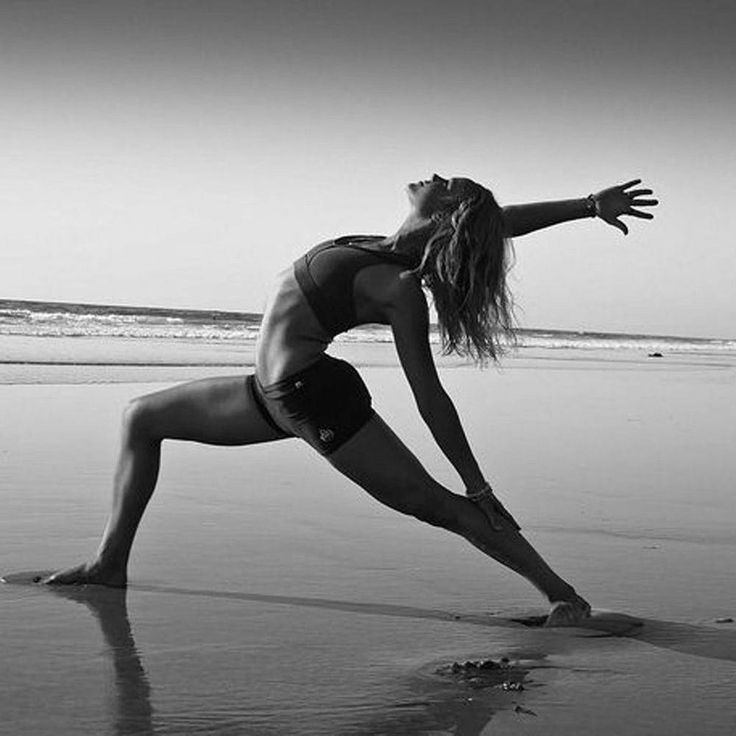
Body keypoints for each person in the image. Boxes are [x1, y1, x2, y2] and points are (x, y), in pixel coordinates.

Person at [44, 174, 658, 625]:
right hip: (268, 394)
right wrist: (583, 206)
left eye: (448, 184)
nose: (436, 176)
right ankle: (109, 563)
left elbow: (430, 396)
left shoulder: (398, 287)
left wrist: (476, 480)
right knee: (141, 417)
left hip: (314, 398)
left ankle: (563, 598)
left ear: (445, 214)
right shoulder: (380, 243)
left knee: (437, 505)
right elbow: (490, 222)